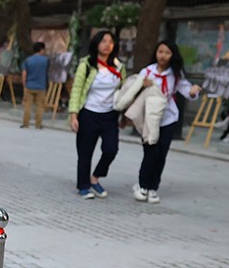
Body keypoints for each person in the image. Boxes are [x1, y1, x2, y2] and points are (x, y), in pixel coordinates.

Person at [132, 38, 202, 203]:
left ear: (173, 55)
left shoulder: (175, 74)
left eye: (167, 53)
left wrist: (193, 91)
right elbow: (133, 90)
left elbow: (186, 90)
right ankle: (142, 185)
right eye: (160, 52)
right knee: (150, 152)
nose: (163, 56)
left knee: (161, 153)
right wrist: (143, 85)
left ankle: (153, 187)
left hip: (168, 118)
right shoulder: (147, 72)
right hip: (149, 119)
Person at [68, 29, 125, 199]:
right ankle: (83, 185)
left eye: (110, 41)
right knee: (85, 152)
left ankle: (95, 178)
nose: (107, 45)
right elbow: (77, 89)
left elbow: (124, 91)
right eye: (103, 41)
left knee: (111, 149)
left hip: (110, 115)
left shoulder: (118, 66)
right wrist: (73, 114)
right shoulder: (86, 64)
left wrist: (125, 115)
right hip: (88, 113)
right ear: (96, 44)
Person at [21, 42, 50, 129]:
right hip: (41, 86)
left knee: (27, 106)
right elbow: (48, 73)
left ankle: (26, 123)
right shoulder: (46, 60)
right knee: (40, 106)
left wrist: (24, 85)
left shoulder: (27, 60)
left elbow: (24, 73)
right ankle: (38, 124)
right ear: (41, 50)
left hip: (29, 85)